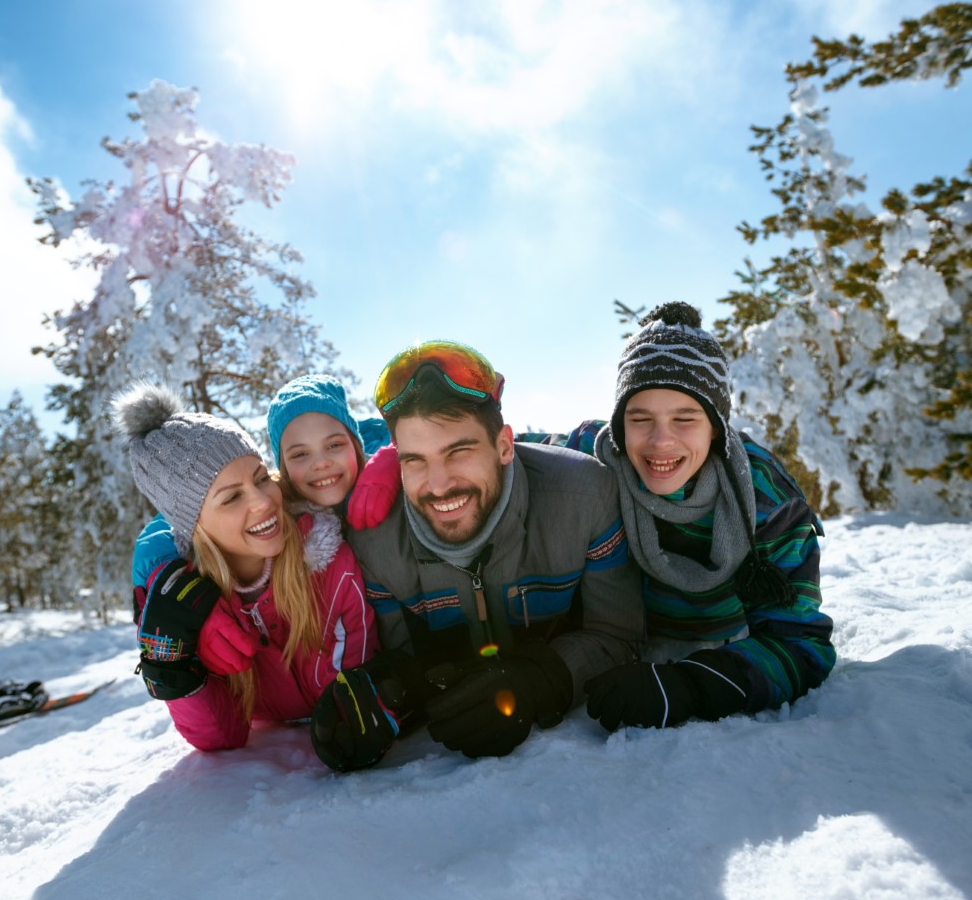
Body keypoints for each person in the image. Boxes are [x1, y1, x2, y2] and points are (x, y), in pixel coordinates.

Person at [310, 341, 644, 771]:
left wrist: (541, 679)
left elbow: (619, 633)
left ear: (504, 445)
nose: (438, 485)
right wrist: (391, 690)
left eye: (459, 452)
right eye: (415, 461)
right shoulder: (376, 544)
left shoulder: (584, 498)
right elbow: (406, 655)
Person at [581, 301, 836, 729]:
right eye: (639, 418)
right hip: (622, 636)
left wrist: (690, 685)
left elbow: (801, 644)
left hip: (721, 636)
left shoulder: (767, 500)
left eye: (685, 418)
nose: (660, 441)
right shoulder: (596, 456)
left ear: (715, 426)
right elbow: (510, 457)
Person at [112, 382, 379, 751]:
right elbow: (222, 736)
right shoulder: (195, 607)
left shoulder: (328, 563)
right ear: (195, 525)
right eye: (232, 497)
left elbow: (357, 691)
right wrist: (175, 670)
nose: (263, 502)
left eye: (260, 479)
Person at [129, 375, 386, 621]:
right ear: (282, 468)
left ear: (355, 443)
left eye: (334, 445)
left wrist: (390, 466)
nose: (320, 463)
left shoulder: (394, 472)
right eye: (299, 454)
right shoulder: (280, 503)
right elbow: (175, 520)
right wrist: (161, 576)